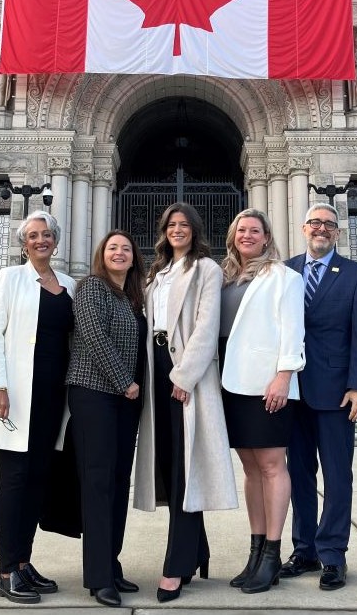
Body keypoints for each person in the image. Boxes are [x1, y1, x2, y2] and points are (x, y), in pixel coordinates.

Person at [134, 203, 237, 603]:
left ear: (195, 231)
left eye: (184, 225)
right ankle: (198, 551)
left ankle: (176, 565)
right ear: (163, 231)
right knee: (171, 464)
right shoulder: (155, 274)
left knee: (185, 470)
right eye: (171, 224)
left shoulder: (207, 270)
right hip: (155, 366)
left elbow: (207, 325)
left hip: (185, 372)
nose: (178, 230)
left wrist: (184, 376)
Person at [0, 211, 76, 604]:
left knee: (38, 480)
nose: (40, 240)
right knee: (15, 481)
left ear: (56, 239)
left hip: (53, 398)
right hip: (16, 396)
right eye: (33, 235)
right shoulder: (9, 279)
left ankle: (23, 563)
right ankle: (5, 570)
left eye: (46, 234)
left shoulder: (67, 284)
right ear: (23, 242)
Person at [282, 202, 357, 591]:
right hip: (290, 392)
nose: (321, 229)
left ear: (337, 233)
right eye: (314, 223)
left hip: (337, 393)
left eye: (328, 224)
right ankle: (304, 550)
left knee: (337, 477)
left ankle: (333, 555)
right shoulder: (285, 271)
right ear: (304, 229)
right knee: (298, 475)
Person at [219, 208, 305, 594]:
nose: (248, 235)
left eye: (255, 230)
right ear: (233, 236)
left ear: (267, 238)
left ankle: (272, 553)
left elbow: (293, 328)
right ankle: (255, 552)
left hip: (267, 384)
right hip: (231, 383)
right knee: (251, 469)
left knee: (272, 466)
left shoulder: (284, 277)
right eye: (242, 230)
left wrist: (284, 375)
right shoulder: (225, 276)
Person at [67, 230, 146, 608]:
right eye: (113, 248)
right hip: (93, 394)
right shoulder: (91, 288)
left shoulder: (134, 298)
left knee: (117, 482)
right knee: (97, 483)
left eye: (126, 249)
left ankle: (111, 565)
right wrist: (125, 382)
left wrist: (135, 389)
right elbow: (94, 336)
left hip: (126, 399)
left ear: (134, 258)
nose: (119, 253)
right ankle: (98, 578)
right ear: (102, 254)